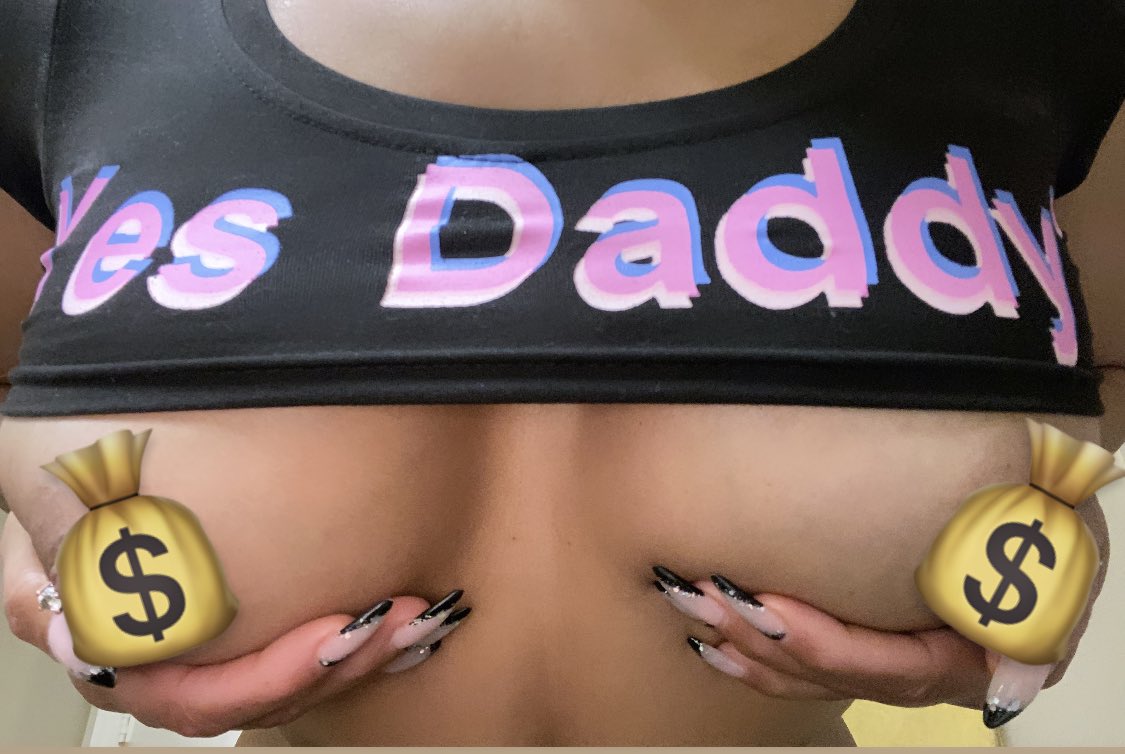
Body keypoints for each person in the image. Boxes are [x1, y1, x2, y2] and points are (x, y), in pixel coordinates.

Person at [0, 0, 1122, 746]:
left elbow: (1108, 358)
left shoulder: (1056, 24)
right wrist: (40, 600)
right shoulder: (59, 25)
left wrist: (1059, 508)